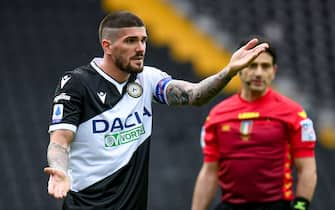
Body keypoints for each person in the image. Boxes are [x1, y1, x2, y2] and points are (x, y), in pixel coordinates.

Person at [43, 11, 268, 210]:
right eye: (131, 41)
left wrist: (228, 71)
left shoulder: (147, 78)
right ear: (107, 45)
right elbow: (59, 141)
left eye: (143, 40)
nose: (140, 48)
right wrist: (59, 170)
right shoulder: (77, 83)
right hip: (86, 204)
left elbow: (195, 95)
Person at [191, 39, 317, 210]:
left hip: (276, 206)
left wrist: (300, 208)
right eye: (252, 65)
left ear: (274, 71)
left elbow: (307, 169)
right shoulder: (217, 115)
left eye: (265, 67)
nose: (258, 73)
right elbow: (209, 172)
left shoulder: (294, 114)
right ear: (239, 69)